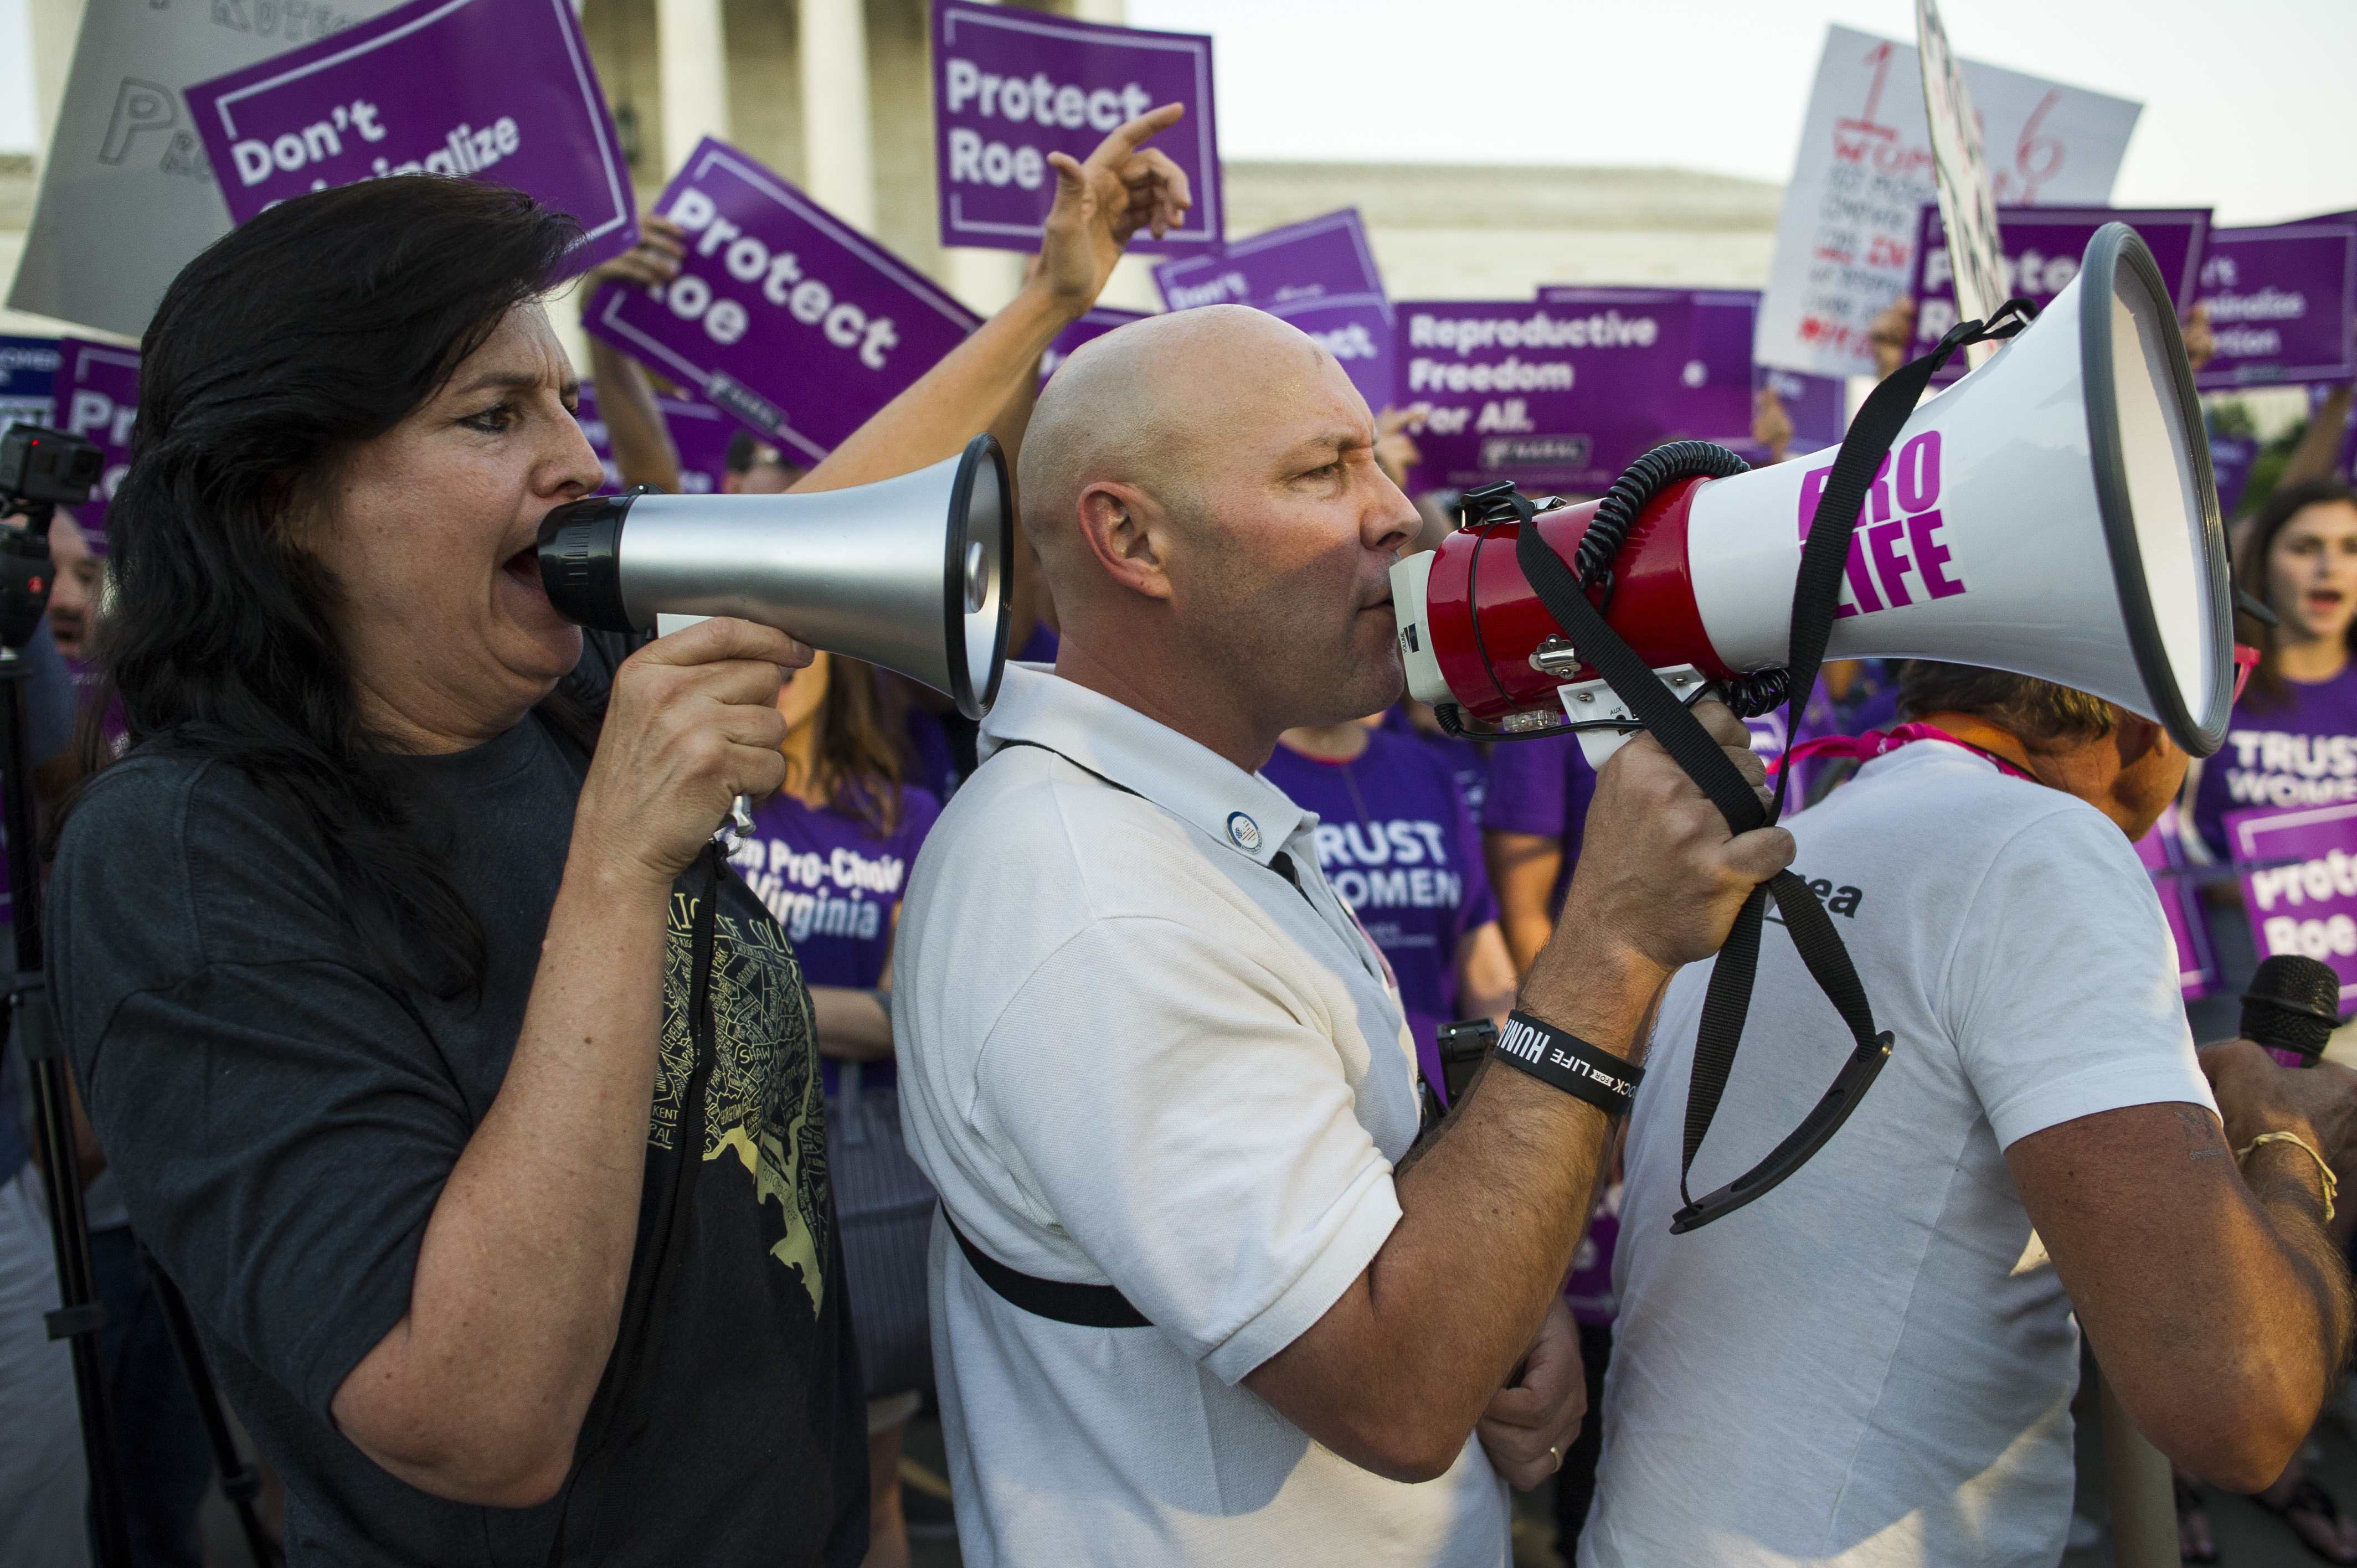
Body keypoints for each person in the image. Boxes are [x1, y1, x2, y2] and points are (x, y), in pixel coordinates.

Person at [51, 98, 1192, 1565]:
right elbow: (482, 1424)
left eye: (570, 405)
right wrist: (619, 863)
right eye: (494, 414)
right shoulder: (188, 857)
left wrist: (1049, 300)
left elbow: (813, 538)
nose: (578, 462)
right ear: (283, 496)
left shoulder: (553, 693)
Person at [894, 303, 1796, 1564]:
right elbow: (1395, 1387)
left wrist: (1485, 1281)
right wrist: (1609, 955)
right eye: (1323, 470)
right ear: (1131, 536)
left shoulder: (1168, 825)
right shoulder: (1100, 894)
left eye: (1373, 458)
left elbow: (1350, 1244)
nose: (1398, 513)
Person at [1583, 659, 2357, 1567]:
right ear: (2157, 715)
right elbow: (2243, 1407)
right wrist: (2289, 1144)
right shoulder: (2045, 844)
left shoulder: (1796, 831)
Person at [728, 651, 942, 1568]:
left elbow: (910, 1017)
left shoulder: (906, 815)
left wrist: (739, 991)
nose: (768, 659)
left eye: (794, 641)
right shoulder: (712, 803)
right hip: (717, 1189)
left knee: (867, 1495)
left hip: (856, 1193)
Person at [1259, 711, 1515, 1096]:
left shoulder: (1426, 768)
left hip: (1450, 1095)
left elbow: (1482, 961)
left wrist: (1509, 1087)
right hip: (1325, 1098)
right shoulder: (1251, 780)